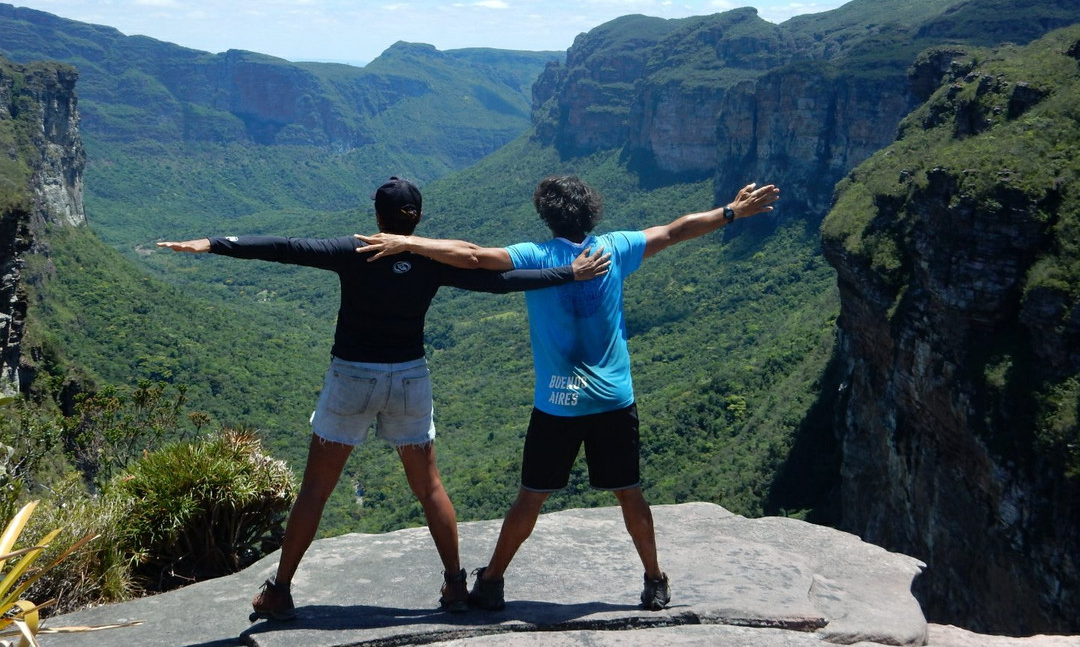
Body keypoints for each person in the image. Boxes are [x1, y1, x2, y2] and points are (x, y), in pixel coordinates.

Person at [156, 176, 609, 621]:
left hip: (352, 377)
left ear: (377, 214)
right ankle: (454, 585)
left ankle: (280, 591)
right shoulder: (431, 260)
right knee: (429, 486)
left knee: (316, 489)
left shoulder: (354, 249)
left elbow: (284, 247)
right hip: (410, 379)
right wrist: (567, 272)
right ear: (417, 219)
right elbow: (502, 281)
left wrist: (214, 243)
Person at [356, 176, 780, 611]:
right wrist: (732, 211)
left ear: (546, 214)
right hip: (613, 400)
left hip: (557, 403)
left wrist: (408, 244)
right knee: (629, 493)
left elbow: (473, 256)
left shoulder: (537, 256)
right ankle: (654, 580)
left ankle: (493, 581)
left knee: (531, 496)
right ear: (591, 211)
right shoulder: (614, 248)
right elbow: (676, 230)